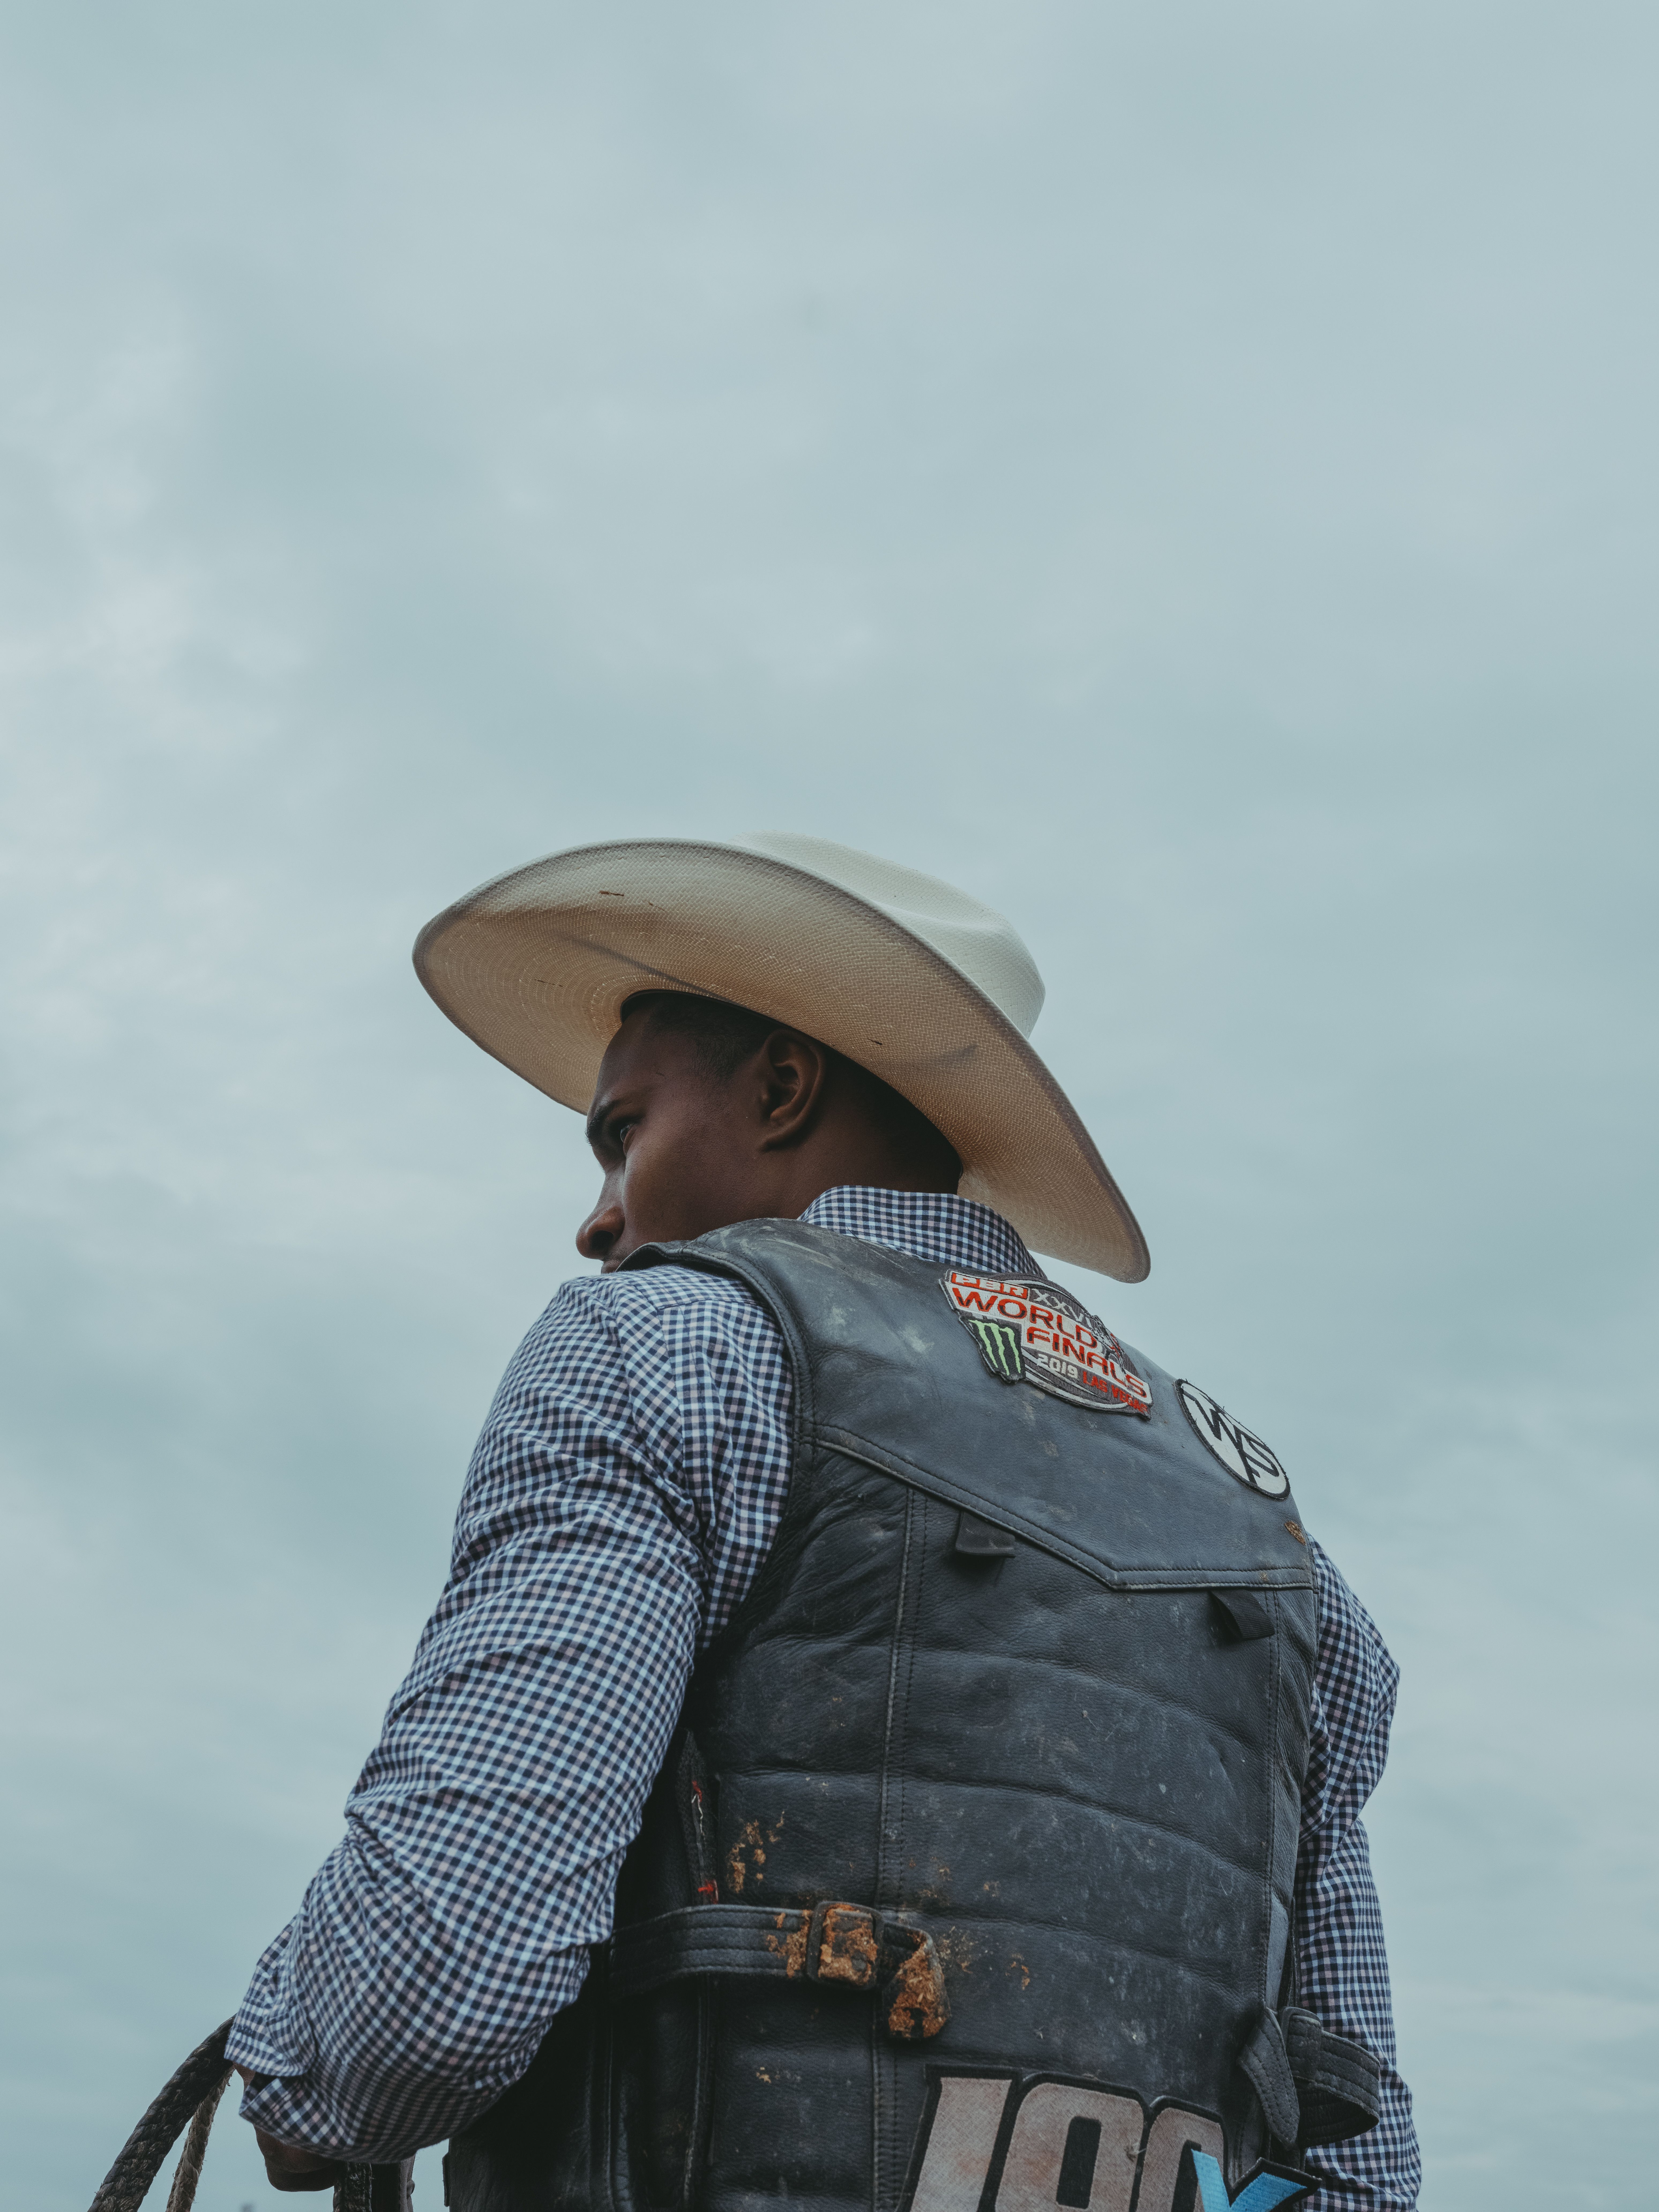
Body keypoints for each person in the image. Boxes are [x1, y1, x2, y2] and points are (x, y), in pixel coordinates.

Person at [225, 835, 1420, 2210]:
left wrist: (309, 2073)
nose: (598, 1219)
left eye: (625, 1135)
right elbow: (1357, 2156)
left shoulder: (671, 1344)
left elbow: (423, 2006)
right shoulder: (1285, 1553)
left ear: (783, 1088)